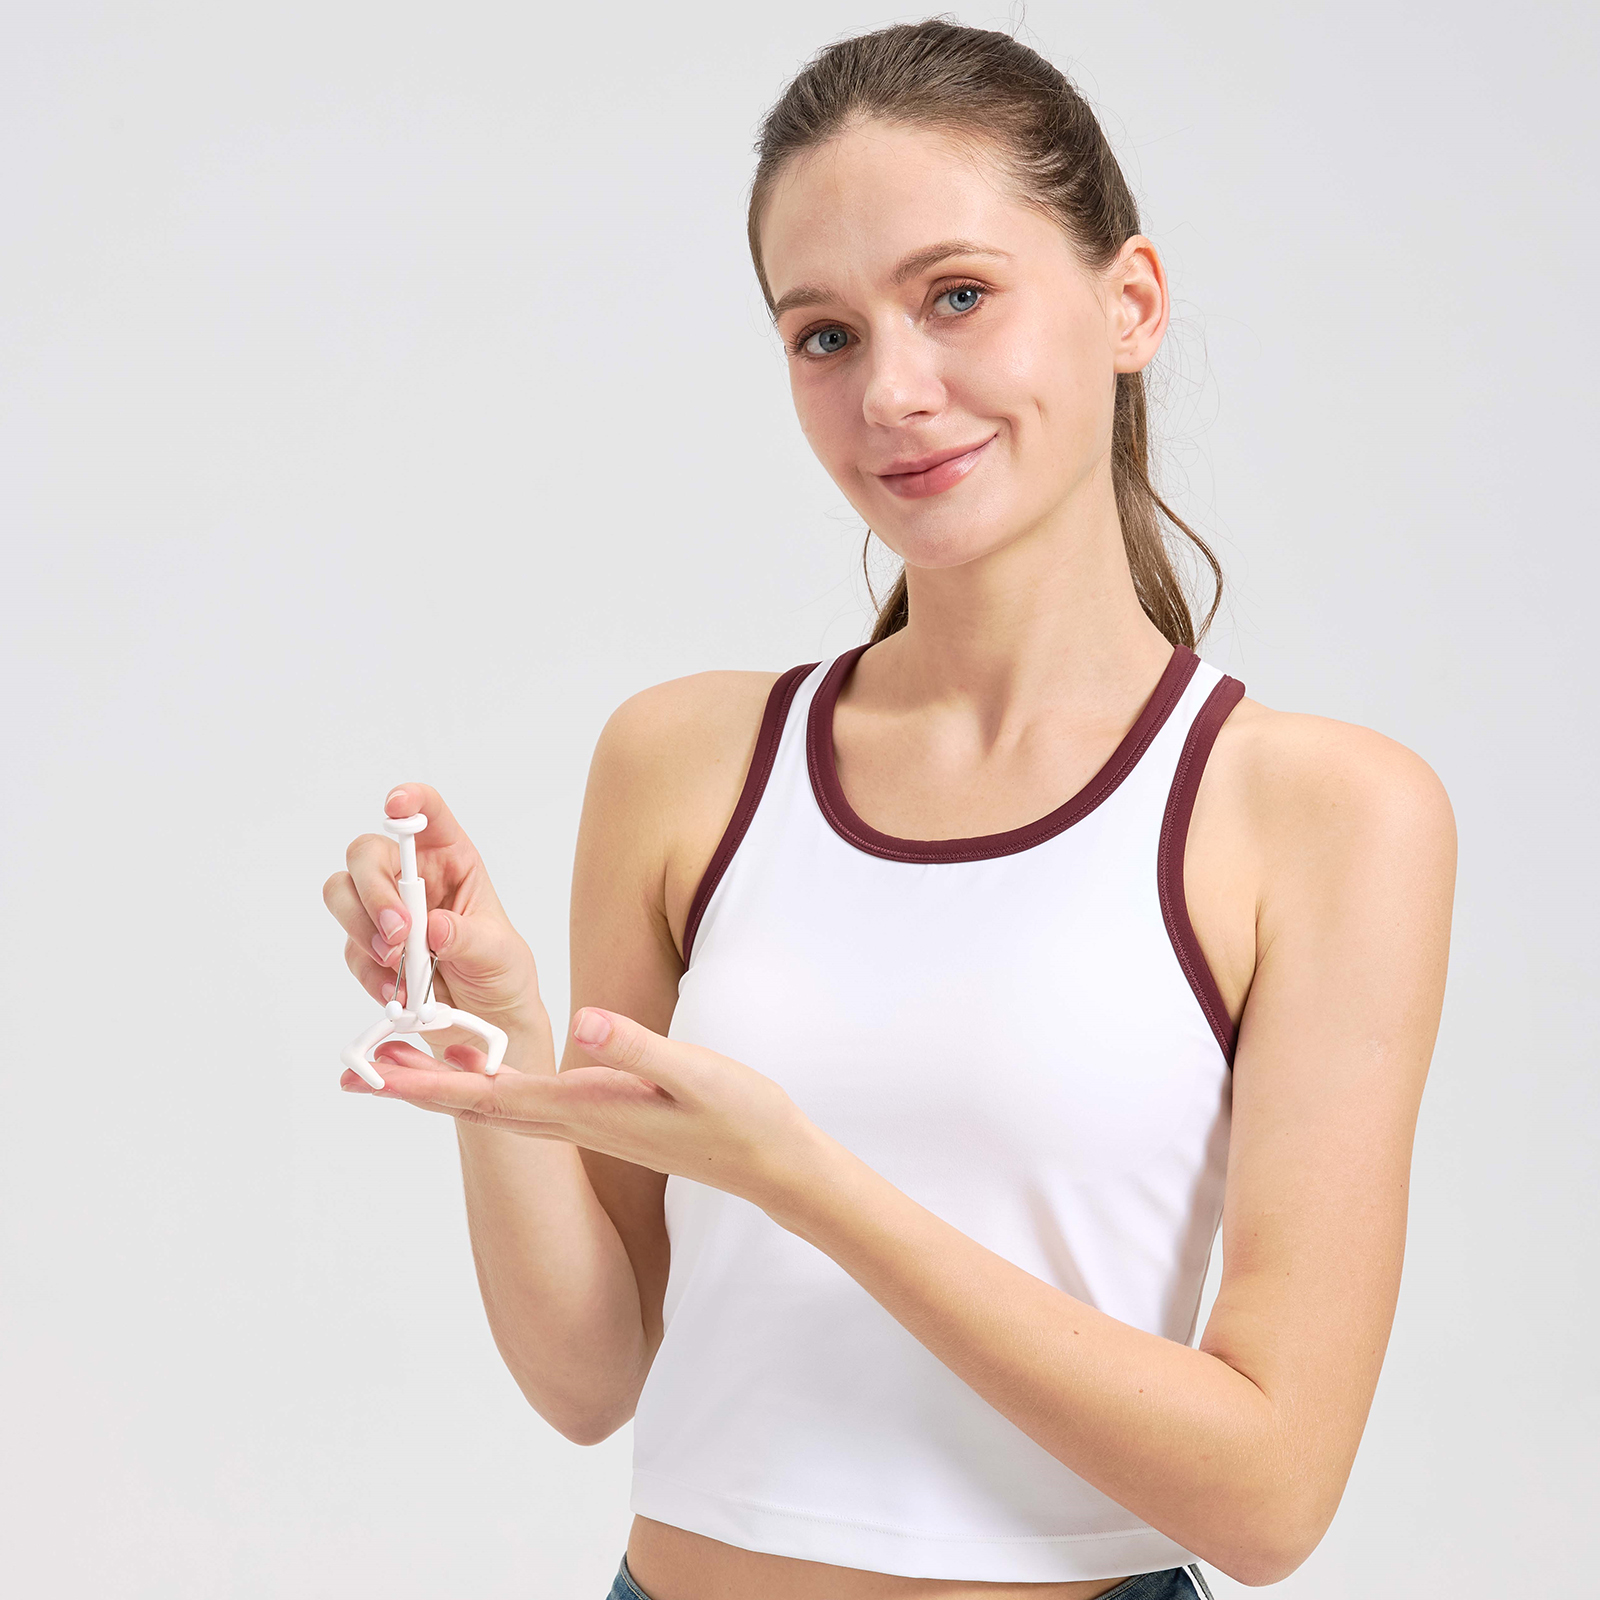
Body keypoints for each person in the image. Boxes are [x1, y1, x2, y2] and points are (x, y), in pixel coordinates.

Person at [322, 20, 1455, 1600]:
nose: (894, 391)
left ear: (1130, 302)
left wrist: (805, 1181)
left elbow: (1270, 1501)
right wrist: (498, 1044)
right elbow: (591, 1380)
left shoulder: (1321, 814)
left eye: (959, 296)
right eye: (825, 335)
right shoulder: (684, 762)